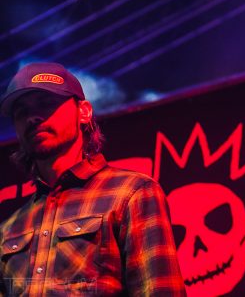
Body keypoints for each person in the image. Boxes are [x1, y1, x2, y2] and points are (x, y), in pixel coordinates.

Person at [0, 62, 186, 296]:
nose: (32, 118)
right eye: (21, 112)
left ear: (84, 112)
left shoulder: (132, 193)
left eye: (45, 103)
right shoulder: (9, 229)